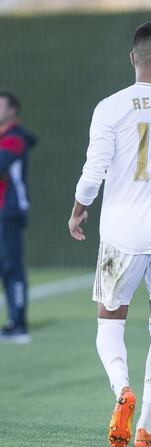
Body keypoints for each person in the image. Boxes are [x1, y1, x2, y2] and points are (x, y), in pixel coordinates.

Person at [68, 22, 151, 447]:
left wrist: (79, 208)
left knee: (110, 319)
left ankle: (121, 390)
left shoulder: (111, 106)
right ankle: (145, 425)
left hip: (121, 233)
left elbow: (95, 172)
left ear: (133, 58)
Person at [0, 90, 36, 344]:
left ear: (13, 109)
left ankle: (18, 323)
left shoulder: (15, 138)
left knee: (12, 267)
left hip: (8, 211)